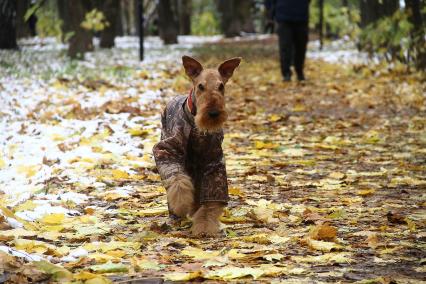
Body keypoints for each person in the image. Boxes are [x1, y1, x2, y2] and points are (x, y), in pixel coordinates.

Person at [265, 0, 310, 81]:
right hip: (283, 17)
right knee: (285, 47)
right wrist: (270, 15)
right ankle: (286, 74)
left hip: (302, 17)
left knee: (301, 46)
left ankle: (299, 71)